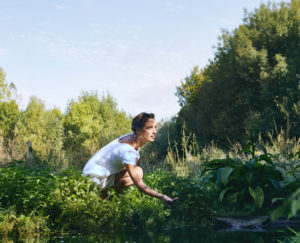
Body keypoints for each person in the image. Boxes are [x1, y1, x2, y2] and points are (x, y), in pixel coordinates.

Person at [82, 112, 178, 204]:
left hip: (94, 172)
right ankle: (108, 196)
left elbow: (136, 160)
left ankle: (105, 196)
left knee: (136, 171)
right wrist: (162, 196)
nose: (154, 131)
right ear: (138, 130)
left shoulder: (132, 138)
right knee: (138, 172)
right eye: (149, 128)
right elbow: (140, 185)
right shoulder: (127, 151)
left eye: (155, 127)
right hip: (94, 179)